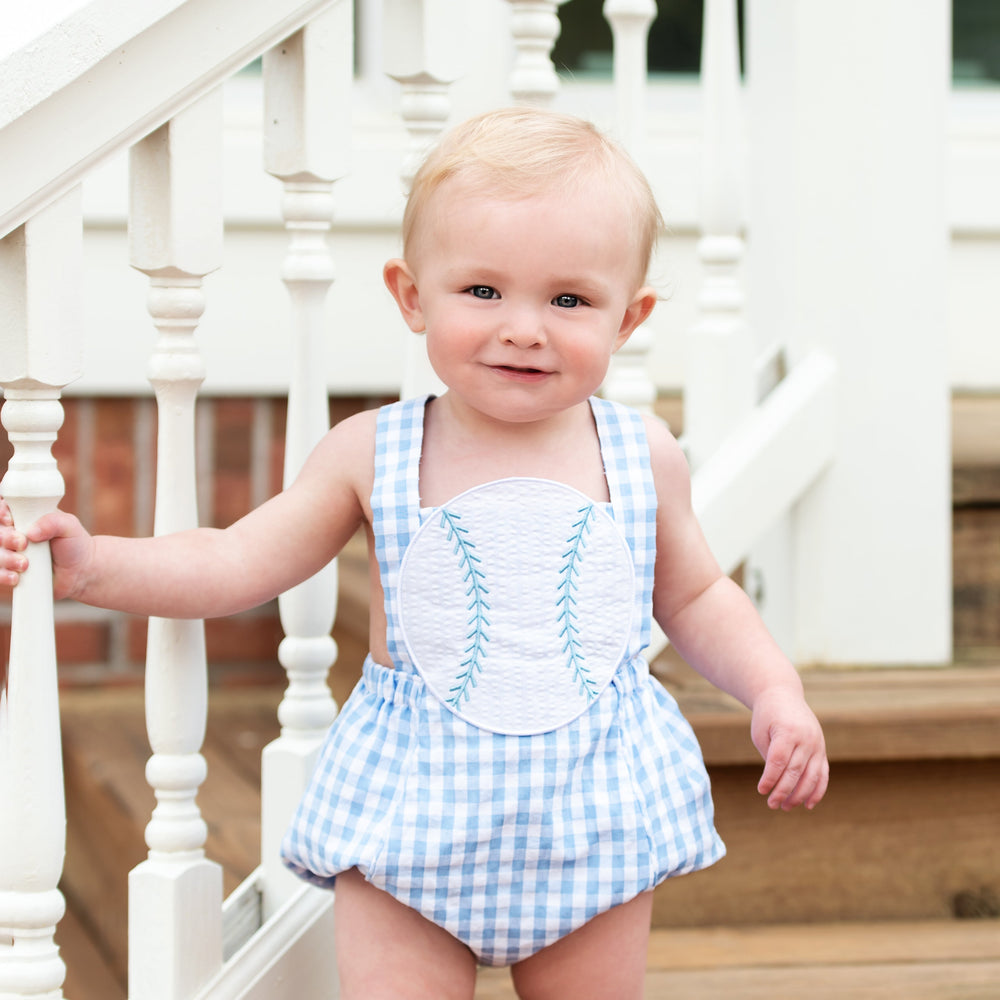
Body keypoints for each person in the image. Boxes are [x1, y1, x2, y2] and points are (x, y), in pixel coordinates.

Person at [0, 107, 828, 999]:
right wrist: (95, 567)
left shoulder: (641, 455)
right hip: (413, 816)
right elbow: (239, 559)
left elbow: (697, 596)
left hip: (592, 815)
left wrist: (774, 689)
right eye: (482, 291)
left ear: (629, 318)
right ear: (410, 295)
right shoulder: (374, 451)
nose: (524, 327)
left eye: (569, 300)